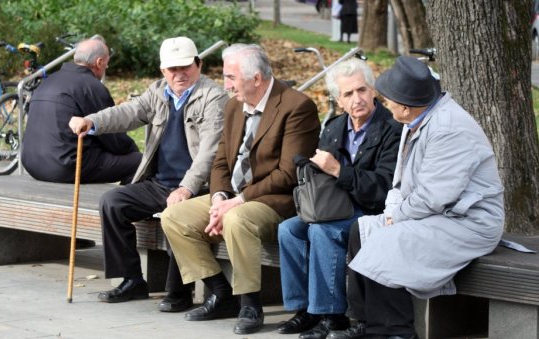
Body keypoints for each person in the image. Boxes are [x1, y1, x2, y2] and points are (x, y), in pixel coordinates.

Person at [328, 56, 505, 339]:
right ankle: (366, 323)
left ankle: (396, 332)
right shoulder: (416, 119)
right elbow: (399, 182)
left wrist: (395, 219)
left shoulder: (448, 128)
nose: (384, 103)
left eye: (388, 100)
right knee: (359, 231)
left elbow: (434, 197)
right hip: (435, 214)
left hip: (469, 221)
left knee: (389, 241)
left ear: (405, 107)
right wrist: (390, 213)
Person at [160, 43, 321, 335]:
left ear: (256, 78)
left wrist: (239, 201)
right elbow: (221, 159)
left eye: (231, 77)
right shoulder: (234, 104)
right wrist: (220, 197)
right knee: (174, 217)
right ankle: (220, 292)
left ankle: (250, 304)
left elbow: (288, 174)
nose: (226, 84)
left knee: (237, 219)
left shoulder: (297, 106)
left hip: (274, 201)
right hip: (232, 196)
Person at [68, 37, 228, 311]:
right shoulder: (158, 92)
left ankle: (179, 292)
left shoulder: (214, 97)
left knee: (175, 214)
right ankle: (132, 280)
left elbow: (209, 152)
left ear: (198, 64)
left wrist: (186, 189)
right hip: (159, 183)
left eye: (185, 66)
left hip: (198, 187)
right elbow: (128, 113)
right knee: (113, 202)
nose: (179, 74)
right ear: (162, 71)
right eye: (172, 69)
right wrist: (92, 121)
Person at [276, 58, 402, 339]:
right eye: (348, 94)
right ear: (338, 99)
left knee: (323, 231)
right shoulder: (333, 127)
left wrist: (337, 170)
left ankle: (332, 317)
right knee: (289, 230)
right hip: (333, 205)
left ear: (373, 91)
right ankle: (305, 311)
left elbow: (383, 186)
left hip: (371, 210)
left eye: (362, 90)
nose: (357, 99)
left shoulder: (391, 129)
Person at [22, 38, 141, 184]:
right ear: (99, 63)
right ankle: (121, 203)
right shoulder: (91, 86)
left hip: (32, 163)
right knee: (140, 162)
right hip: (66, 167)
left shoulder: (48, 81)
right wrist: (134, 152)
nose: (106, 67)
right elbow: (113, 138)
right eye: (106, 63)